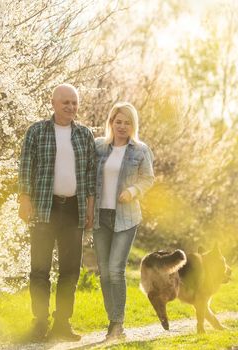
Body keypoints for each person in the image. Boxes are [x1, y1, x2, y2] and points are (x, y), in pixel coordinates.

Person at [18, 83, 96, 342]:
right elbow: (26, 167)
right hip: (44, 207)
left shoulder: (84, 135)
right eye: (66, 102)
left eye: (74, 103)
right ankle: (39, 323)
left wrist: (90, 207)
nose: (71, 107)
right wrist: (24, 200)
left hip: (73, 208)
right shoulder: (37, 131)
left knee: (70, 270)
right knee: (39, 268)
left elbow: (90, 174)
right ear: (53, 103)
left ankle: (62, 323)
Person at [93, 102, 154, 339]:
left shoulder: (140, 150)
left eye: (127, 122)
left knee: (115, 270)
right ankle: (113, 320)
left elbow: (148, 179)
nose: (122, 126)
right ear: (111, 122)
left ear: (133, 125)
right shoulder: (99, 147)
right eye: (118, 121)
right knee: (104, 272)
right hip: (101, 215)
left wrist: (132, 191)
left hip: (126, 218)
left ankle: (117, 325)